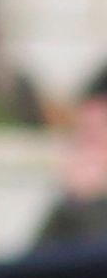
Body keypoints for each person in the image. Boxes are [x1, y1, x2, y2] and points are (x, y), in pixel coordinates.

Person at [31, 76, 107, 251]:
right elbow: (36, 261)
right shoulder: (70, 203)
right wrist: (75, 199)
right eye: (84, 132)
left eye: (98, 132)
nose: (88, 146)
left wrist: (89, 199)